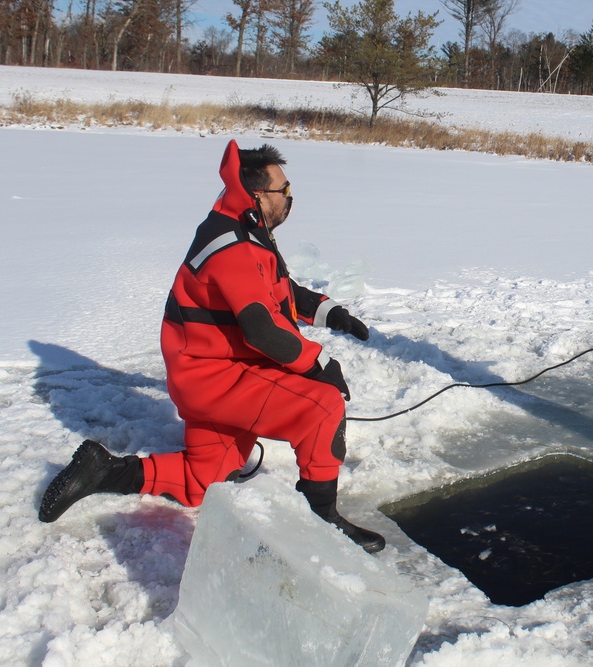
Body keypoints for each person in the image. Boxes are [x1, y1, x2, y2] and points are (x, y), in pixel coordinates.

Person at [39, 140, 385, 553]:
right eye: (285, 190)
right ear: (259, 194)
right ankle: (323, 522)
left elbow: (275, 289)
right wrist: (320, 364)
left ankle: (102, 472)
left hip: (206, 374)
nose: (291, 198)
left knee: (202, 482)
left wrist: (331, 312)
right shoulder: (233, 244)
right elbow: (261, 328)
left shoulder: (243, 226)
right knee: (322, 405)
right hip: (216, 377)